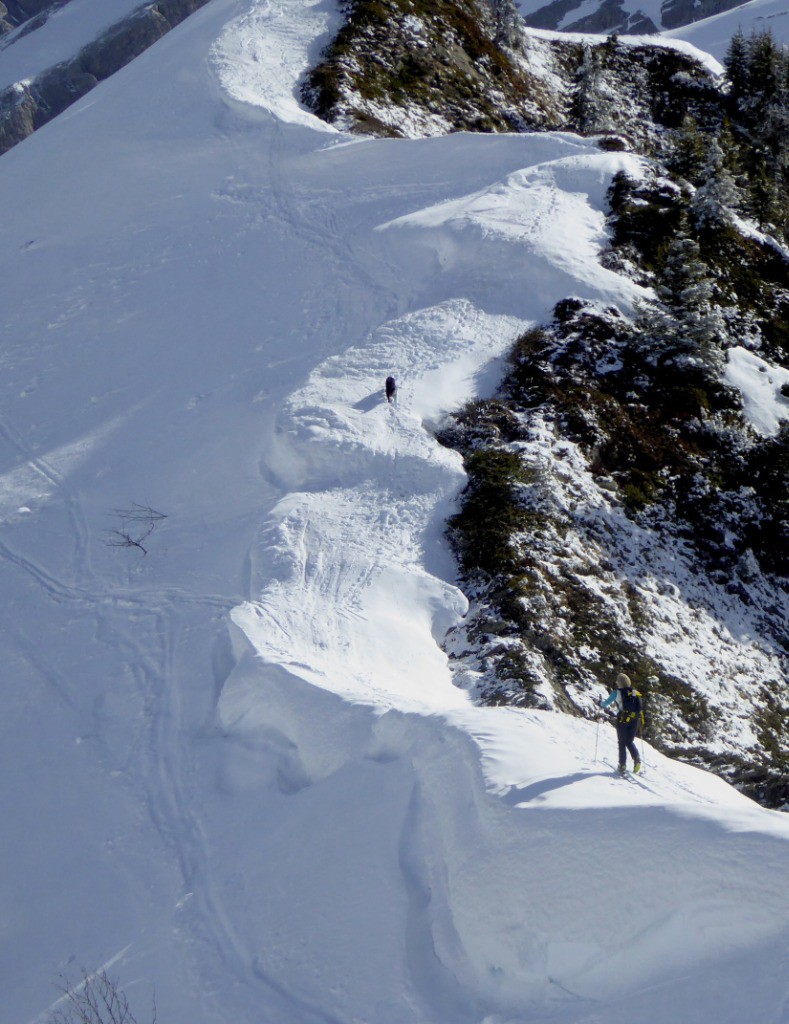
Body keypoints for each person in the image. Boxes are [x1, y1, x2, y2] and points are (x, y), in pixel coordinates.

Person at [600, 672, 644, 773]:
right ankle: (637, 759)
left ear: (619, 682)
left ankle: (622, 765)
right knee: (629, 741)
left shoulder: (616, 692)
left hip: (622, 719)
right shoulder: (634, 692)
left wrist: (600, 704)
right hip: (635, 720)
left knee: (622, 743)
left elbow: (606, 703)